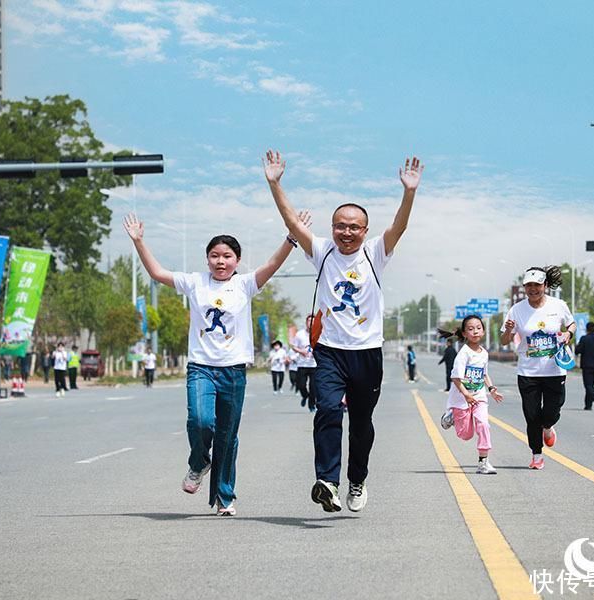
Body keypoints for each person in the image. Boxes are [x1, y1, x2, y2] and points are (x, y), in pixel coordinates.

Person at [264, 148, 424, 513]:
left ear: (364, 231)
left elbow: (399, 227)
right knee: (328, 410)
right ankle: (327, 481)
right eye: (340, 226)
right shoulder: (321, 252)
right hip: (329, 351)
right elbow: (293, 224)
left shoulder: (374, 253)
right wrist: (275, 184)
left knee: (362, 422)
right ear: (332, 228)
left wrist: (409, 192)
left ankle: (357, 479)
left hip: (367, 352)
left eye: (354, 227)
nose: (346, 232)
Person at [123, 209, 307, 516]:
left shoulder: (246, 284)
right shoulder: (195, 283)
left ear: (237, 260)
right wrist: (139, 242)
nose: (220, 262)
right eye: (214, 256)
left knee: (227, 435)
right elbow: (157, 273)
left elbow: (273, 265)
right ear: (207, 259)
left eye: (227, 256)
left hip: (234, 370)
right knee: (201, 421)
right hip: (201, 367)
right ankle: (199, 463)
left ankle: (224, 496)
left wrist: (291, 237)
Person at [500, 266, 576, 471]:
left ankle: (548, 427)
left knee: (551, 412)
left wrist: (568, 334)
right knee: (531, 415)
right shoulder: (516, 309)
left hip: (554, 370)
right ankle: (536, 454)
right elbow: (504, 340)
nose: (533, 289)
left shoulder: (558, 305)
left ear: (546, 286)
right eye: (529, 285)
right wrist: (507, 331)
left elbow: (572, 324)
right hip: (528, 372)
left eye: (537, 285)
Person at [438, 316, 504, 474]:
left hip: (479, 397)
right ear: (464, 333)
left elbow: (484, 374)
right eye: (471, 328)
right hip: (462, 399)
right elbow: (455, 378)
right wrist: (466, 395)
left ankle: (483, 462)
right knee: (466, 434)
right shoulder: (463, 354)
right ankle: (452, 416)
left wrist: (492, 389)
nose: (475, 331)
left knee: (483, 424)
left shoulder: (484, 353)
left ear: (483, 330)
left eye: (478, 328)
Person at [291, 314, 317, 412]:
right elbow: (294, 346)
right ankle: (305, 396)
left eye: (313, 321)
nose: (311, 323)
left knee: (313, 387)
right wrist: (301, 351)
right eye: (309, 321)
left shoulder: (318, 333)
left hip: (314, 364)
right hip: (302, 364)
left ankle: (311, 405)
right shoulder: (299, 334)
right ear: (306, 322)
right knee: (301, 385)